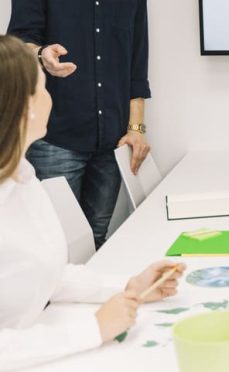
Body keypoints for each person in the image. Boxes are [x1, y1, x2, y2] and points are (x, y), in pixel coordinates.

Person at [0, 35, 184, 370]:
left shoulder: (25, 181)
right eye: (43, 88)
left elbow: (48, 274)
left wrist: (128, 285)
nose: (49, 97)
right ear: (26, 107)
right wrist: (92, 329)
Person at [7, 0, 151, 248]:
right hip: (56, 140)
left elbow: (136, 61)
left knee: (98, 241)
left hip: (114, 142)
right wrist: (42, 56)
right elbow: (18, 44)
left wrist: (137, 129)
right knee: (55, 248)